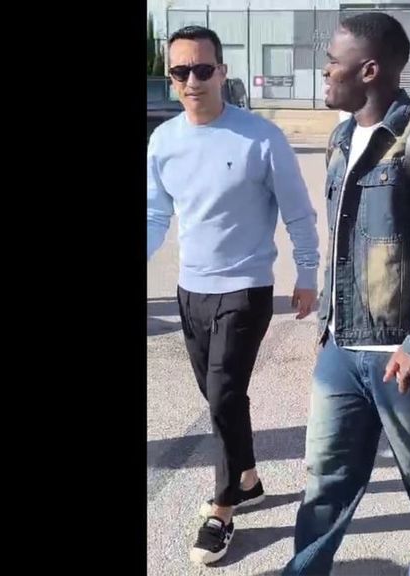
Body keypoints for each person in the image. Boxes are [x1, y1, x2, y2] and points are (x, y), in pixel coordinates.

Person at [283, 12, 410, 576]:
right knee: (326, 475)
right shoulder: (341, 139)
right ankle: (305, 568)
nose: (324, 72)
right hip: (343, 346)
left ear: (368, 70)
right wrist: (328, 323)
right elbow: (344, 244)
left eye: (332, 62)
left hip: (403, 350)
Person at [146, 25, 320, 565]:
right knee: (220, 395)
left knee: (223, 394)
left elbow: (298, 212)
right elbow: (155, 213)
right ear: (170, 77)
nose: (192, 81)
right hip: (190, 290)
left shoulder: (260, 137)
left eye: (203, 69)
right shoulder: (163, 141)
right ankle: (247, 478)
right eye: (181, 71)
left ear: (222, 72)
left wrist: (307, 274)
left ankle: (222, 509)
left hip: (246, 289)